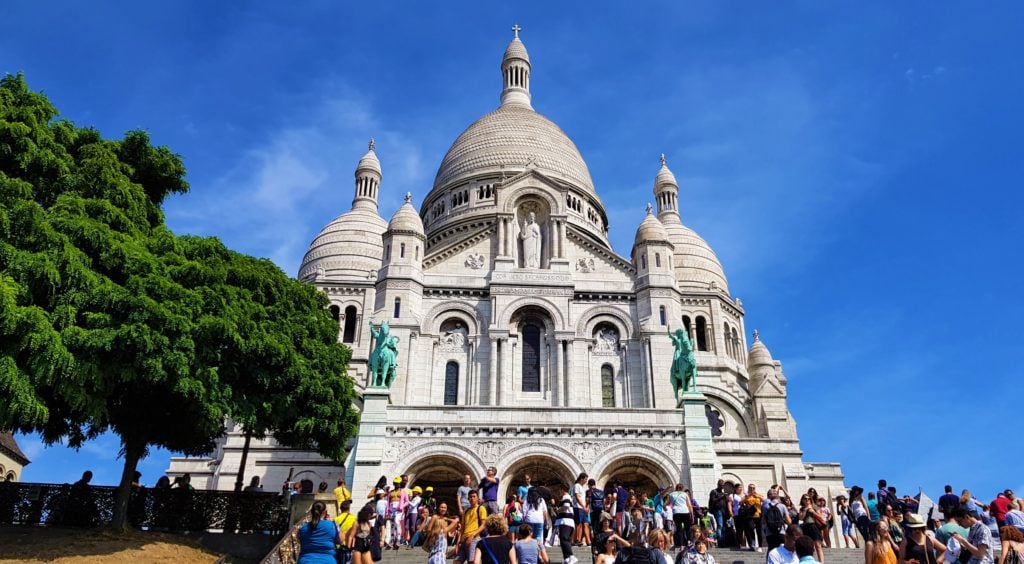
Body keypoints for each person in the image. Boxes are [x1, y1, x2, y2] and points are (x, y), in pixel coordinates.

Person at [458, 491, 488, 564]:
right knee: (457, 561)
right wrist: (458, 541)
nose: (472, 498)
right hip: (464, 539)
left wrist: (473, 535)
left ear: (477, 498)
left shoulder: (481, 508)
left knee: (472, 561)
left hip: (474, 538)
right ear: (468, 498)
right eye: (470, 497)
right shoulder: (466, 511)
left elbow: (484, 525)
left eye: (474, 496)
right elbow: (462, 527)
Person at [797, 494, 825, 564]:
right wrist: (806, 510)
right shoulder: (802, 509)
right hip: (805, 527)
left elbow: (821, 517)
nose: (807, 500)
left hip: (813, 526)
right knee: (808, 545)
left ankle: (821, 562)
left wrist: (813, 512)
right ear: (802, 500)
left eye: (808, 499)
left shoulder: (814, 507)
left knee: (818, 546)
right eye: (805, 499)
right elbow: (801, 518)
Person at [667, 483, 694, 549]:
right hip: (685, 512)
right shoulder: (685, 494)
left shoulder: (671, 494)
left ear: (676, 488)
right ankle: (689, 542)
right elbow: (689, 505)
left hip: (676, 513)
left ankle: (681, 545)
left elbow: (666, 503)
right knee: (687, 528)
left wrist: (665, 507)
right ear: (682, 488)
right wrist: (692, 515)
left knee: (679, 530)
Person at [554, 490, 578, 564]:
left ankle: (571, 556)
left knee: (564, 539)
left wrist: (558, 510)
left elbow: (566, 506)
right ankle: (567, 558)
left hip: (566, 521)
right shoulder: (566, 497)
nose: (559, 493)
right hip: (565, 522)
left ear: (562, 490)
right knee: (563, 540)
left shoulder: (566, 496)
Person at [740, 483, 765, 552]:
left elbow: (764, 500)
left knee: (759, 531)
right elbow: (740, 502)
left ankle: (760, 546)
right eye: (750, 488)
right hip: (750, 516)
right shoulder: (746, 496)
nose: (752, 489)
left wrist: (756, 495)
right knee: (751, 529)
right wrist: (746, 497)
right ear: (748, 489)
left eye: (753, 488)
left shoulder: (758, 496)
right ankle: (752, 544)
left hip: (758, 515)